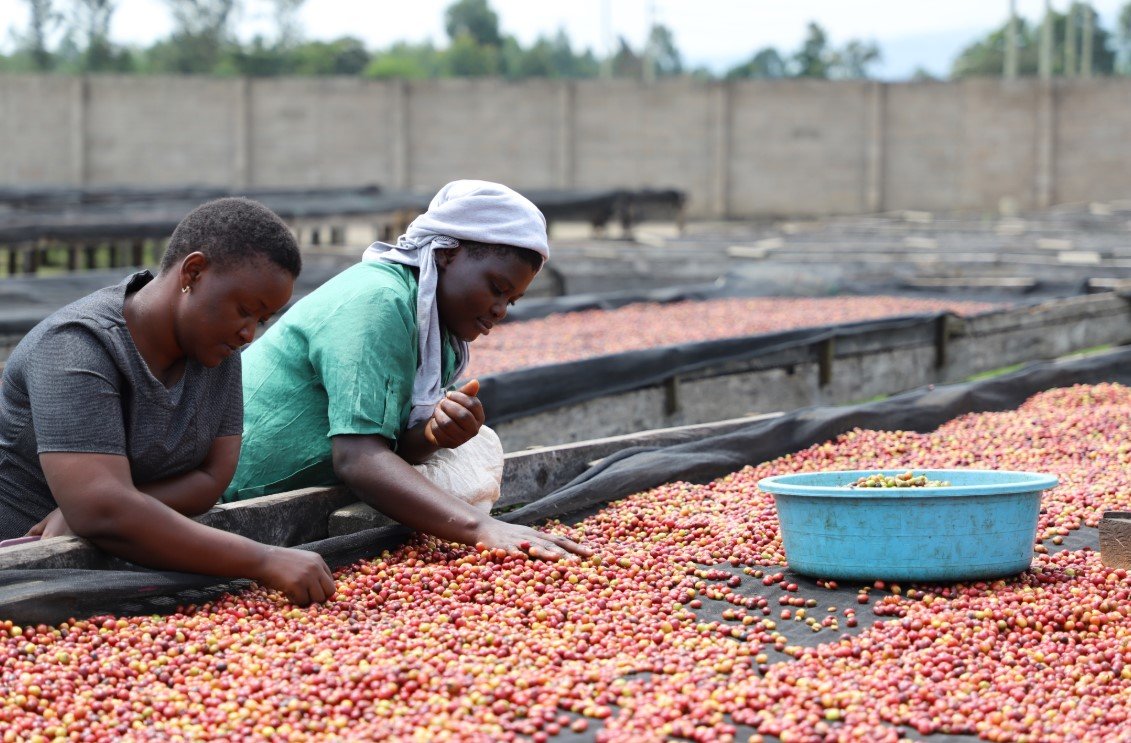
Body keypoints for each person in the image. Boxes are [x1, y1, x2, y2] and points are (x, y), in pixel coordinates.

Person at [224, 180, 591, 561]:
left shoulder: (438, 335)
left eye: (511, 301)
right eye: (496, 288)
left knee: (478, 444)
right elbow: (358, 458)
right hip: (239, 495)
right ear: (447, 253)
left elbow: (390, 442)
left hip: (310, 486)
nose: (500, 310)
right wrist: (483, 527)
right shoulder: (379, 302)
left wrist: (434, 435)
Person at [0, 197, 336, 606]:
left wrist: (114, 505)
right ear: (193, 272)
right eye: (245, 310)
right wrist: (263, 559)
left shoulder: (217, 353)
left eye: (261, 320)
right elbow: (101, 511)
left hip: (116, 568)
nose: (250, 333)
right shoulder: (77, 347)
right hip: (22, 574)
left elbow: (213, 478)